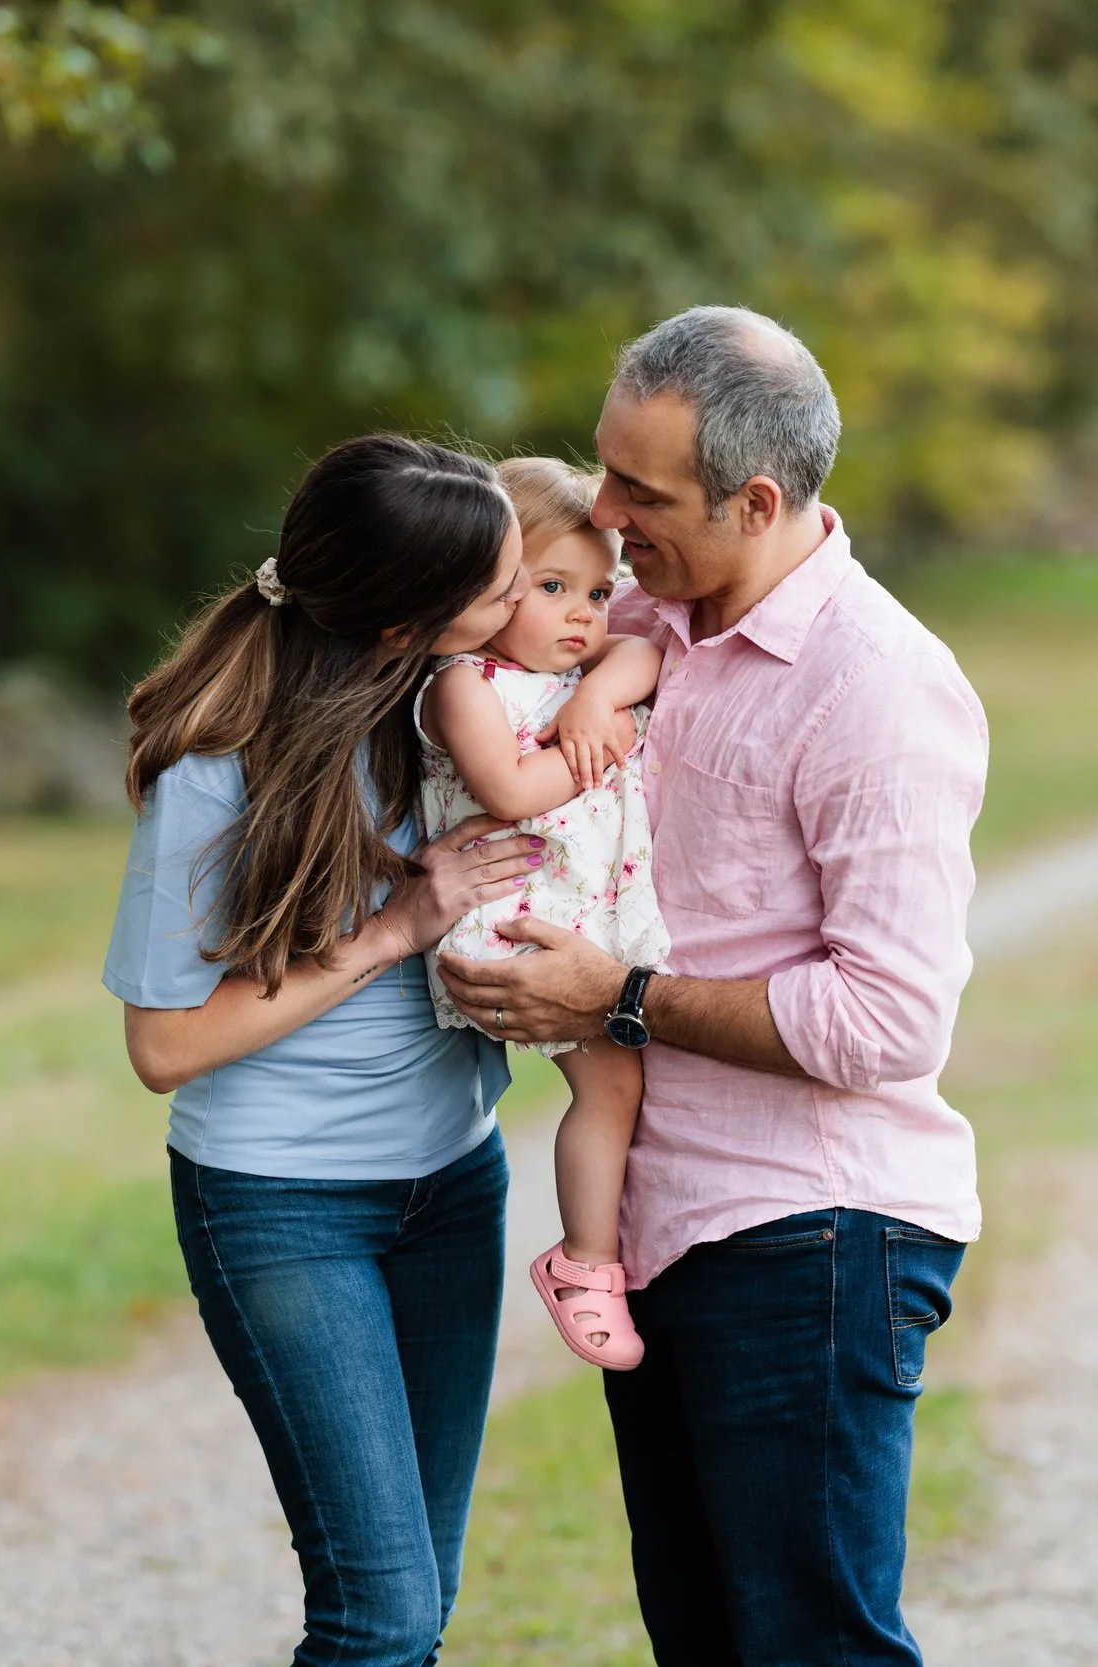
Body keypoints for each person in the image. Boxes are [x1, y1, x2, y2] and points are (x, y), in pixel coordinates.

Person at [438, 307, 988, 1665]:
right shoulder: (636, 615)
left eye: (643, 491)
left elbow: (887, 1020)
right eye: (606, 471)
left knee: (810, 1645)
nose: (607, 514)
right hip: (670, 1223)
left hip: (813, 1229)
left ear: (756, 500)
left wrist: (612, 995)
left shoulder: (877, 687)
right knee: (705, 1639)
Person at [105, 434, 604, 1667]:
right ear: (398, 624)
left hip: (452, 1181)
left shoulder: (449, 707)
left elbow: (628, 629)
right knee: (376, 1615)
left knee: (418, 1605)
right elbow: (164, 1046)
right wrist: (395, 929)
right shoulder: (219, 767)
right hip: (285, 1205)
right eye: (502, 587)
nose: (525, 603)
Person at [415, 456, 670, 1370]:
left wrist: (602, 692)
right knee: (611, 1083)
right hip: (517, 920)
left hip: (581, 908)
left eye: (599, 592)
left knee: (625, 1082)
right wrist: (621, 736)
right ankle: (586, 1261)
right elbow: (515, 789)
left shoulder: (583, 662)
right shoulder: (462, 682)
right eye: (554, 587)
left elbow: (648, 650)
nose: (583, 615)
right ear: (491, 588)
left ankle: (605, 1249)